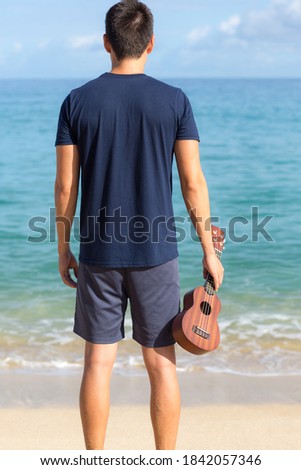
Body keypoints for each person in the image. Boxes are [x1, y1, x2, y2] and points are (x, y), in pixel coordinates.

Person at [55, 0, 224, 450]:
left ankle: (95, 459)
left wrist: (62, 247)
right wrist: (208, 249)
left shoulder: (77, 101)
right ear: (150, 44)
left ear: (106, 43)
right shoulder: (174, 100)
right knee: (161, 364)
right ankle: (164, 460)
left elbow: (65, 186)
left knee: (97, 363)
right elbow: (192, 182)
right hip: (156, 256)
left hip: (98, 252)